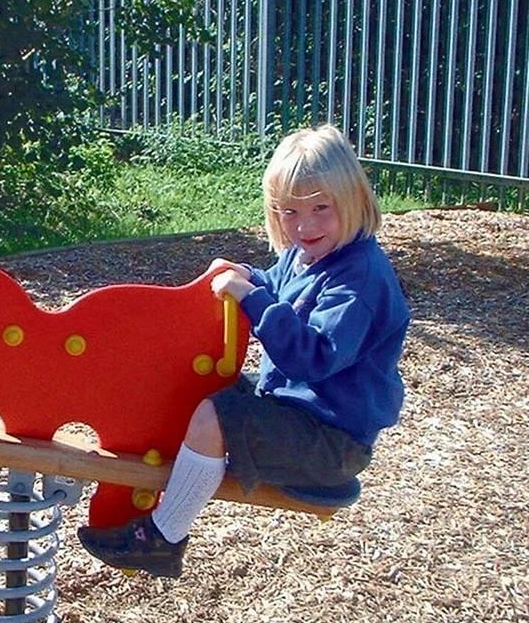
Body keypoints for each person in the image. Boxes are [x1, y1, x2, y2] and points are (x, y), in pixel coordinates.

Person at [78, 124, 410, 578]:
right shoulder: (309, 254)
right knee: (200, 386)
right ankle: (159, 461)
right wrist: (245, 274)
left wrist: (251, 298)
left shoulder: (359, 279)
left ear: (352, 200)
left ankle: (162, 539)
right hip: (300, 412)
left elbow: (313, 357)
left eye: (320, 208)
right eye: (289, 212)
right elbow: (275, 285)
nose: (304, 225)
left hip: (334, 443)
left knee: (219, 416)